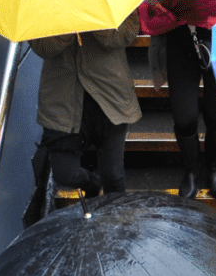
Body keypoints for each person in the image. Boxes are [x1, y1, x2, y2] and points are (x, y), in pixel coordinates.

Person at [139, 0, 216, 199]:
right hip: (180, 38)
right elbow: (149, 14)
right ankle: (191, 171)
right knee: (184, 117)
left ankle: (213, 169)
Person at [29, 12, 142, 203]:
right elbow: (42, 47)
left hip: (109, 96)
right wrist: (69, 23)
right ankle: (92, 184)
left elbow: (126, 34)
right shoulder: (44, 1)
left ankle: (117, 225)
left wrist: (93, 19)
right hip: (62, 101)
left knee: (113, 176)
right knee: (64, 173)